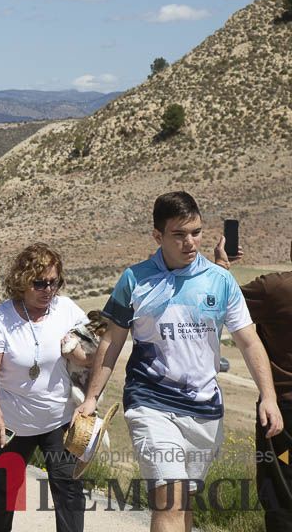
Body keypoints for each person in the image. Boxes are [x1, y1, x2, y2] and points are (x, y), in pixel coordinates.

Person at [77, 192, 284, 532]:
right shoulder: (135, 279)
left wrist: (269, 397)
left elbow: (248, 340)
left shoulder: (221, 281)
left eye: (196, 232)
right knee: (170, 500)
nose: (190, 242)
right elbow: (112, 340)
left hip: (205, 411)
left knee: (184, 507)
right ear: (157, 236)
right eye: (179, 234)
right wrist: (90, 399)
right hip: (151, 402)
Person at [0, 243, 90, 532]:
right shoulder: (1, 317)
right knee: (3, 491)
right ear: (22, 281)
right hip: (13, 422)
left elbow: (93, 351)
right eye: (39, 283)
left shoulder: (66, 309)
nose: (48, 290)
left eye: (53, 282)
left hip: (59, 420)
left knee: (69, 490)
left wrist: (76, 352)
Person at [238, 241, 292, 532]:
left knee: (281, 495)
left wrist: (222, 265)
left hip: (282, 417)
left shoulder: (276, 289)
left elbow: (222, 301)